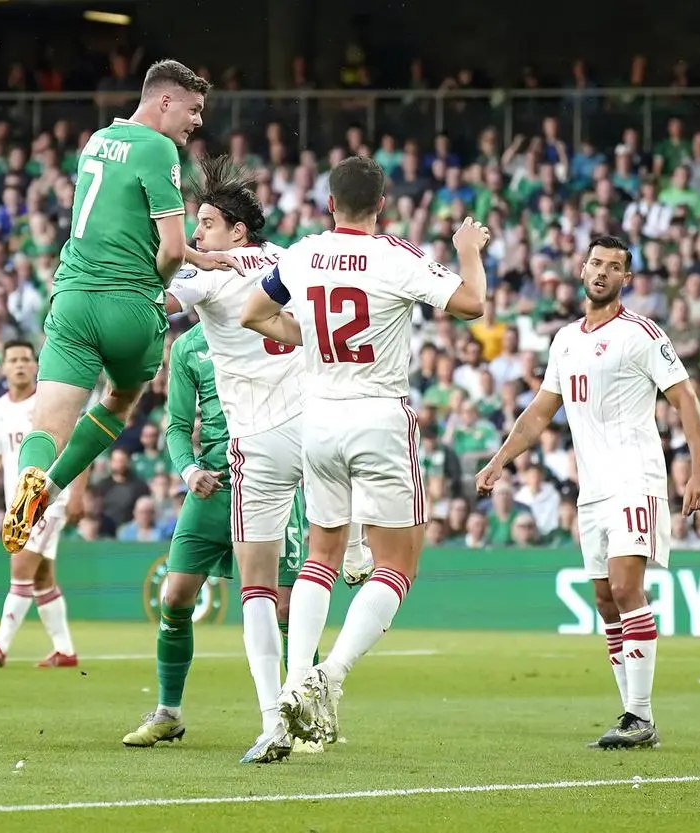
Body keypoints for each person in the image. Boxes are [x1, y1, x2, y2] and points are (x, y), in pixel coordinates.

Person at [240, 156, 488, 744]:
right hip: (378, 415)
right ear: (382, 205)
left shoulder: (301, 255)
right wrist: (469, 248)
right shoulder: (394, 256)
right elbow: (472, 304)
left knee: (320, 556)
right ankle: (330, 674)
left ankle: (293, 688)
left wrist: (307, 340)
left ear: (329, 203)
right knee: (397, 562)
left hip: (318, 417)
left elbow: (253, 313)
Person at [162, 157, 373, 762]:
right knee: (317, 565)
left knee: (256, 588)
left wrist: (166, 274)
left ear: (236, 230)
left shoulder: (207, 275)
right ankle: (353, 544)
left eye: (206, 224)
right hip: (317, 425)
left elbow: (162, 298)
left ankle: (271, 720)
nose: (198, 234)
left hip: (256, 443)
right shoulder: (291, 256)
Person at [476, 235, 700, 750]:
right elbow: (541, 412)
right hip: (594, 491)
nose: (602, 272)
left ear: (627, 278)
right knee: (606, 601)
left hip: (637, 478)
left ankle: (639, 715)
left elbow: (685, 398)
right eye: (596, 263)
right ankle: (631, 716)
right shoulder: (565, 340)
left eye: (614, 267)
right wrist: (500, 459)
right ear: (582, 269)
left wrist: (699, 471)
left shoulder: (641, 334)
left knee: (628, 588)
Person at [2, 59, 238, 554]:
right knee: (120, 398)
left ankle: (30, 476)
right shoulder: (158, 148)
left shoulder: (97, 141)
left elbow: (125, 228)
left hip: (72, 301)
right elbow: (169, 250)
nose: (197, 122)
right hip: (128, 306)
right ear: (165, 101)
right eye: (193, 109)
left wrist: (200, 256)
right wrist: (160, 283)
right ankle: (50, 489)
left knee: (46, 425)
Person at [120, 323, 321, 758]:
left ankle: (307, 715)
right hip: (212, 488)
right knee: (174, 597)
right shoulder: (189, 346)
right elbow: (176, 426)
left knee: (286, 605)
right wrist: (189, 470)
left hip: (270, 485)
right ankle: (168, 713)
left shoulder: (274, 326)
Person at [0, 340, 81, 668]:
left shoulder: (48, 406)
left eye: (25, 359)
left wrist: (79, 493)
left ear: (35, 366)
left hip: (49, 500)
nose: (19, 364)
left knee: (20, 567)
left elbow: (79, 449)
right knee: (42, 576)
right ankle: (65, 651)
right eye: (12, 359)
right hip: (15, 501)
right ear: (3, 367)